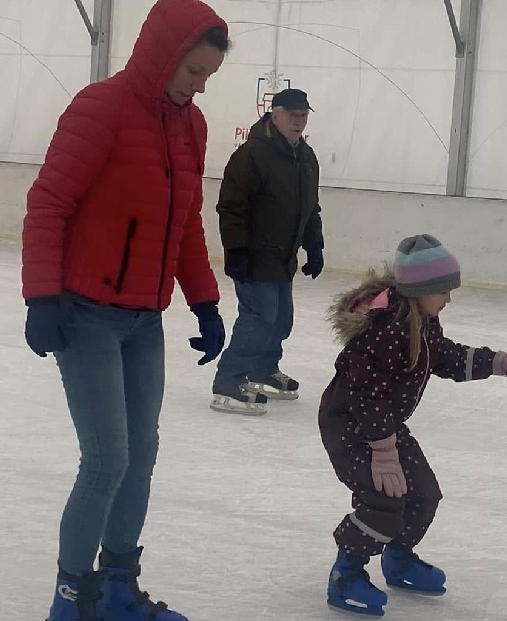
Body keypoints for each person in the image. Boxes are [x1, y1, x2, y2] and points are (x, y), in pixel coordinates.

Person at [20, 1, 230, 619]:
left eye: (207, 77)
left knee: (141, 454)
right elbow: (48, 202)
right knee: (107, 457)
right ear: (163, 55)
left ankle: (117, 589)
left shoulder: (191, 127)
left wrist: (205, 301)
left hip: (144, 319)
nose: (196, 87)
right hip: (84, 314)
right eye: (191, 71)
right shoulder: (100, 109)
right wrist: (41, 296)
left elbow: (185, 222)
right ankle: (71, 599)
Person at [316, 234, 507, 616]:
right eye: (443, 290)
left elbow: (444, 356)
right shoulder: (384, 331)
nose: (449, 298)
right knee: (383, 501)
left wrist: (500, 363)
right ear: (420, 289)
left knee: (424, 493)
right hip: (351, 426)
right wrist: (384, 450)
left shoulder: (421, 321)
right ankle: (347, 573)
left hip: (384, 426)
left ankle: (399, 558)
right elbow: (365, 395)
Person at [210, 88, 324, 415]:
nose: (299, 121)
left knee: (280, 319)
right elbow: (231, 208)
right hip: (255, 255)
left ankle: (262, 369)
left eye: (303, 115)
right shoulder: (252, 155)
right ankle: (228, 380)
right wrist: (236, 252)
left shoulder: (306, 157)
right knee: (259, 319)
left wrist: (313, 243)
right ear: (275, 115)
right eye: (292, 115)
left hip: (283, 257)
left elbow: (310, 207)